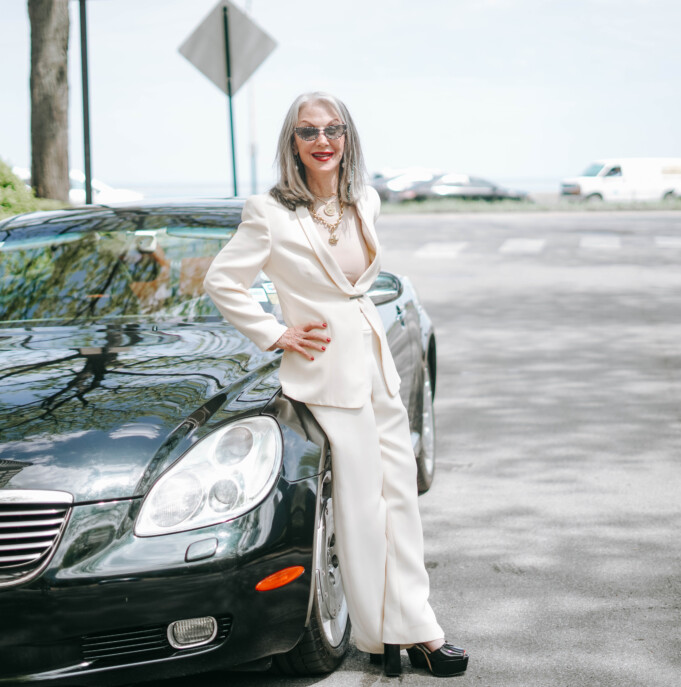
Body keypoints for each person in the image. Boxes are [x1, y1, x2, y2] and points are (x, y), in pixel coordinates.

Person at [203, 91, 468, 678]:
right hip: (324, 378)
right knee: (361, 511)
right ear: (291, 143)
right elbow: (223, 281)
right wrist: (276, 334)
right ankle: (384, 636)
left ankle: (416, 626)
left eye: (333, 129)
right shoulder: (268, 212)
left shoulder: (363, 201)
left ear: (347, 138)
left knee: (401, 500)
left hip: (377, 368)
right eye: (308, 131)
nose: (322, 141)